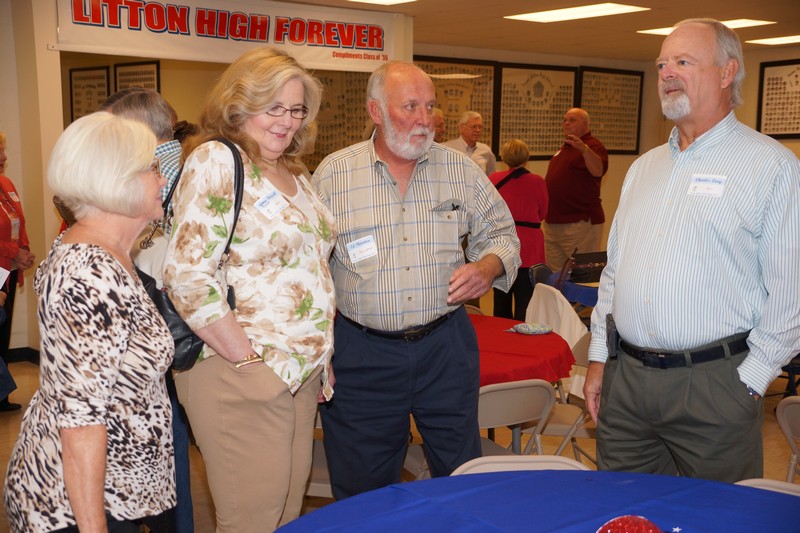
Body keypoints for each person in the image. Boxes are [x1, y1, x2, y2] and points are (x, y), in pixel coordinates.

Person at [583, 18, 800, 483]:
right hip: (628, 383)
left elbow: (792, 292)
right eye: (663, 63)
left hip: (716, 386)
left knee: (718, 519)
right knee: (624, 512)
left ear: (727, 73)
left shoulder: (772, 167)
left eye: (684, 62)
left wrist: (750, 381)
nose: (667, 73)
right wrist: (600, 358)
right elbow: (615, 272)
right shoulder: (644, 169)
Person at [313, 61, 520, 499]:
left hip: (444, 348)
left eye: (430, 105)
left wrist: (487, 267)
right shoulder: (334, 175)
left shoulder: (460, 169)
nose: (425, 119)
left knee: (462, 478)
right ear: (376, 111)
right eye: (411, 106)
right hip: (362, 353)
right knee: (363, 488)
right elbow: (309, 270)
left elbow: (503, 235)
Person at [162, 47, 335, 532]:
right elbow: (188, 275)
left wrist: (320, 355)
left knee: (283, 515)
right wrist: (249, 363)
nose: (286, 121)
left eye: (297, 109)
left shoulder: (295, 170)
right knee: (249, 521)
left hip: (298, 373)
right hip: (239, 370)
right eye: (272, 107)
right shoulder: (220, 160)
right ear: (239, 105)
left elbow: (309, 269)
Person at [4, 111, 176, 532]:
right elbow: (80, 421)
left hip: (118, 492)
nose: (163, 179)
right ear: (117, 181)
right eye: (153, 168)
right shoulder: (90, 273)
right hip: (77, 506)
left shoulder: (108, 251)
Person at [106, 88, 194, 533]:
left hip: (170, 335)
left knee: (169, 447)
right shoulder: (183, 169)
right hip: (178, 335)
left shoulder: (161, 177)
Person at [488, 139, 547, 320]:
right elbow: (543, 212)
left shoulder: (493, 179)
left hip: (502, 245)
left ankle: (500, 340)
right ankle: (523, 342)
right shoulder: (537, 181)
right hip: (529, 246)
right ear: (526, 157)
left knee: (501, 302)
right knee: (525, 301)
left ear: (504, 158)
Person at [542, 108, 608, 270]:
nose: (566, 123)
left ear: (585, 124)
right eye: (565, 120)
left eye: (572, 120)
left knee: (581, 274)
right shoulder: (564, 148)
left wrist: (583, 149)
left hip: (579, 223)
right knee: (556, 277)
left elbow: (598, 170)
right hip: (554, 223)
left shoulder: (593, 145)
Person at [0, 131, 34, 412]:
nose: (4, 157)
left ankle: (1, 396)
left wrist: (23, 252)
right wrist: (14, 253)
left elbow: (18, 223)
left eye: (3, 149)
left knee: (3, 332)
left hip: (8, 272)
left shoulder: (6, 183)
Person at [443, 110, 496, 175]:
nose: (477, 130)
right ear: (462, 128)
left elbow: (491, 176)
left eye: (480, 127)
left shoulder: (486, 150)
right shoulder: (448, 148)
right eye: (474, 127)